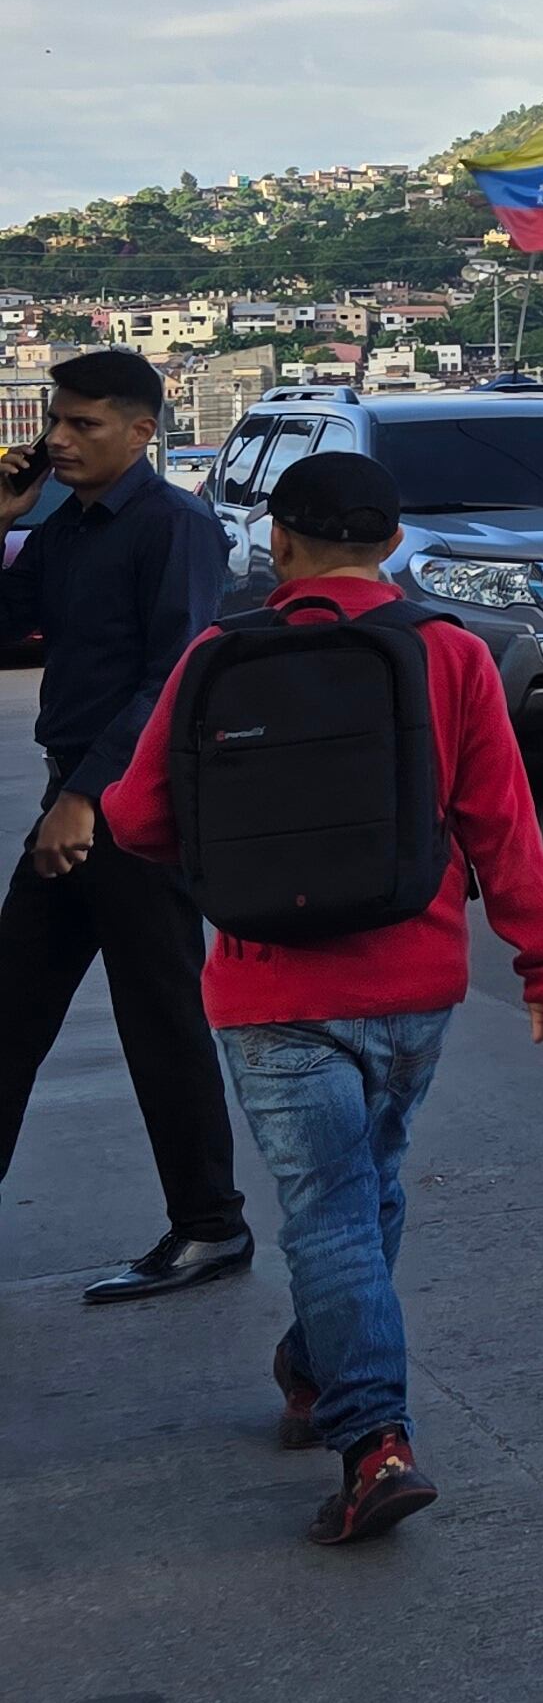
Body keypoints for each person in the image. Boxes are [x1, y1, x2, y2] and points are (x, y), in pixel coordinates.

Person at [93, 447, 543, 1545]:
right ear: (395, 543)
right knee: (370, 1189)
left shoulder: (220, 655)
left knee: (331, 1213)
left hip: (270, 992)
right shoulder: (448, 654)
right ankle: (317, 1369)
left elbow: (133, 819)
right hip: (414, 986)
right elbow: (500, 820)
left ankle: (373, 1441)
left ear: (281, 542)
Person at [0, 347, 247, 1304]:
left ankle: (210, 1227)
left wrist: (86, 797)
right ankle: (210, 1224)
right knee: (12, 1005)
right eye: (53, 422)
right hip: (79, 801)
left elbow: (173, 678)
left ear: (144, 431)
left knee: (161, 1020)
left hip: (132, 812)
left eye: (82, 424)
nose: (56, 439)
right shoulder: (67, 524)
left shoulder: (175, 526)